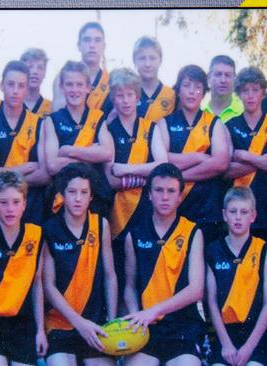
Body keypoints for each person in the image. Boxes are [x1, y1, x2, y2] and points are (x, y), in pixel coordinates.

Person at [122, 163, 205, 366]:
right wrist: (137, 317)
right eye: (159, 190)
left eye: (171, 191)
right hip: (148, 328)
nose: (165, 197)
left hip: (183, 326)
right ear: (149, 194)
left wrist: (154, 311)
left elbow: (196, 290)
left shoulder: (192, 232)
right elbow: (130, 286)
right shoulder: (135, 234)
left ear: (180, 196)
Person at [104, 67, 168, 309]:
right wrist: (144, 174)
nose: (125, 100)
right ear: (113, 98)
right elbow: (110, 178)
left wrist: (126, 169)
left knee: (145, 270)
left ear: (138, 96)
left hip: (146, 210)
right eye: (119, 95)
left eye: (130, 94)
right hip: (118, 213)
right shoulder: (107, 129)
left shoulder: (150, 128)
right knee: (121, 273)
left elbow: (162, 166)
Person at [42, 163, 118, 366]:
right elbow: (48, 286)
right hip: (60, 323)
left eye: (84, 192)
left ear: (91, 196)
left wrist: (111, 321)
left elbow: (110, 275)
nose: (78, 198)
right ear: (62, 194)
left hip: (95, 324)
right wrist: (78, 323)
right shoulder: (49, 229)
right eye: (72, 192)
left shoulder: (100, 225)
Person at [0, 171, 47, 366]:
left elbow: (37, 284)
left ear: (25, 204)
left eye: (16, 202)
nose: (10, 209)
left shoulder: (35, 234)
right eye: (4, 202)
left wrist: (40, 329)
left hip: (23, 325)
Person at [157, 64, 229, 244]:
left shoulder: (214, 122)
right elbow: (162, 160)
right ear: (178, 90)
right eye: (186, 86)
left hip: (208, 210)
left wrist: (179, 176)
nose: (191, 92)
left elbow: (220, 162)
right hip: (175, 209)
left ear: (204, 92)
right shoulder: (164, 123)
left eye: (197, 87)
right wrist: (198, 158)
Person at [204, 187, 267, 366]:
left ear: (253, 216)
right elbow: (211, 301)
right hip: (225, 336)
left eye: (244, 212)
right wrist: (226, 344)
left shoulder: (264, 250)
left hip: (256, 337)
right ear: (224, 214)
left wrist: (249, 347)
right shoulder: (213, 251)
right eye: (232, 211)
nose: (237, 217)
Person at [224, 66, 267, 244]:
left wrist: (246, 157)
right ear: (239, 94)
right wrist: (264, 160)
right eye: (245, 91)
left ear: (263, 92)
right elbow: (227, 170)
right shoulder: (230, 125)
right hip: (239, 211)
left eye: (255, 90)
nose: (250, 95)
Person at [0, 60, 50, 225]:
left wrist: (3, 174)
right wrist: (25, 168)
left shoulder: (39, 124)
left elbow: (45, 174)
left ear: (27, 89)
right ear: (2, 85)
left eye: (21, 86)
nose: (15, 91)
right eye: (11, 84)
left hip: (32, 207)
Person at [44, 61, 114, 217]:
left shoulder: (97, 117)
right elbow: (52, 165)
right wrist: (92, 154)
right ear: (61, 87)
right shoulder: (52, 120)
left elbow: (107, 153)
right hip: (63, 197)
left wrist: (69, 151)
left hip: (95, 194)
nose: (74, 90)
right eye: (69, 84)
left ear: (88, 88)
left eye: (79, 84)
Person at [53, 22, 113, 115]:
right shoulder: (63, 78)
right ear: (79, 45)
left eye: (97, 40)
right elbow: (58, 119)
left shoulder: (111, 81)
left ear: (104, 46)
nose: (92, 45)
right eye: (87, 40)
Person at [131, 36, 175, 122]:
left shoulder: (171, 95)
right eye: (142, 58)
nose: (147, 64)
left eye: (152, 58)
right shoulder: (127, 94)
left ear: (160, 60)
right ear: (134, 61)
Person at [203, 55, 244, 123]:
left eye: (228, 75)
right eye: (218, 74)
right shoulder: (200, 113)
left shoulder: (245, 111)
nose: (223, 80)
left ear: (235, 79)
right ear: (208, 78)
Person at [21, 48, 53, 118]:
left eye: (40, 67)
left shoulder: (52, 108)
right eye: (30, 67)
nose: (35, 71)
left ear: (45, 72)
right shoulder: (12, 105)